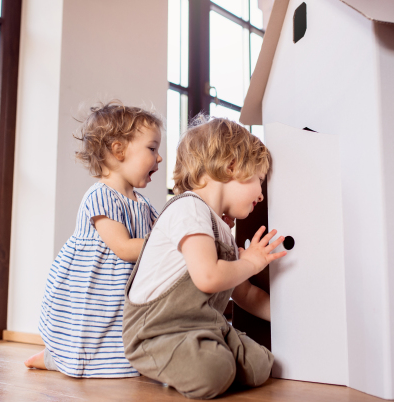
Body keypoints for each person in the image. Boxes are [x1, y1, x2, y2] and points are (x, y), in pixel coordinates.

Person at [122, 116, 287, 399]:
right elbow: (208, 277)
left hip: (201, 325)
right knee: (215, 372)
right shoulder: (189, 209)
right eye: (259, 180)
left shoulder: (222, 230)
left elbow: (245, 295)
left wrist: (292, 321)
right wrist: (249, 263)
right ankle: (194, 364)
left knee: (262, 365)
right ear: (231, 166)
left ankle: (209, 360)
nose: (261, 194)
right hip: (159, 330)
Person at [24, 101, 163, 378]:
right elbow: (123, 248)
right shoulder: (100, 195)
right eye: (152, 148)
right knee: (90, 335)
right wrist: (168, 245)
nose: (159, 158)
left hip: (125, 289)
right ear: (118, 150)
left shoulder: (144, 204)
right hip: (98, 287)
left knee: (123, 334)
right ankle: (56, 357)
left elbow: (163, 231)